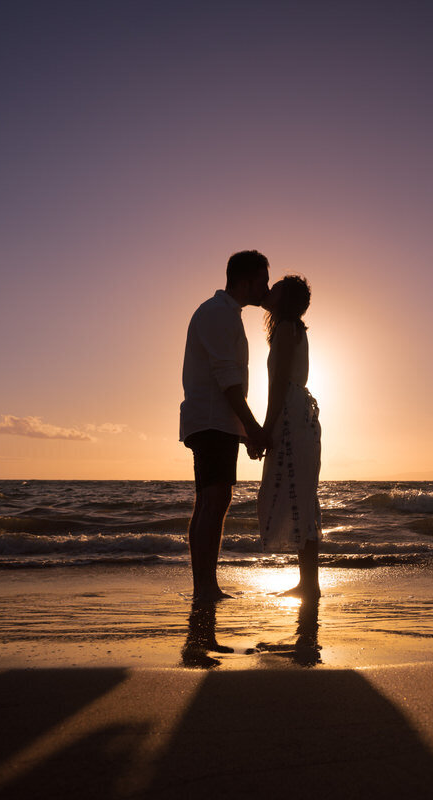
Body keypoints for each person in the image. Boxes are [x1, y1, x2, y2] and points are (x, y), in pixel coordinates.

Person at [179, 250, 270, 600]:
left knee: (210, 500)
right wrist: (254, 427)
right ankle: (205, 587)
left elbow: (228, 379)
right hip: (212, 420)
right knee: (214, 500)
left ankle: (204, 585)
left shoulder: (225, 314)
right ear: (246, 280)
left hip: (215, 420)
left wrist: (244, 431)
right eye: (263, 279)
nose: (265, 287)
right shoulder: (218, 313)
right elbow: (227, 380)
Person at [256, 274, 321, 597]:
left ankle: (309, 585)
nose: (270, 290)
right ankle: (309, 583)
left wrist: (265, 430)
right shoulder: (296, 329)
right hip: (302, 413)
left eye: (276, 287)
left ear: (284, 298)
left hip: (291, 414)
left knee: (295, 492)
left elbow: (279, 383)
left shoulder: (285, 329)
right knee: (303, 496)